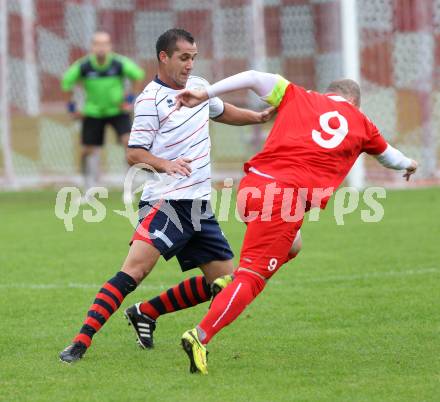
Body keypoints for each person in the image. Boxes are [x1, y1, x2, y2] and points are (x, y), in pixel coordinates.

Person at [175, 70, 418, 374]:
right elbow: (391, 158)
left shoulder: (297, 95)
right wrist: (410, 164)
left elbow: (251, 76)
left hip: (251, 187)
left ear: (327, 93)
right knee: (253, 278)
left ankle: (233, 281)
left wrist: (205, 92)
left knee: (293, 244)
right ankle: (199, 336)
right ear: (354, 102)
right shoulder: (362, 123)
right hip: (281, 201)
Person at [59, 29, 279, 363]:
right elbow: (134, 153)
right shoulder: (149, 100)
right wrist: (165, 163)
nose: (190, 65)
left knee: (223, 283)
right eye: (184, 57)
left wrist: (258, 117)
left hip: (197, 206)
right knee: (134, 271)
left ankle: (145, 313)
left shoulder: (200, 87)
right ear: (164, 57)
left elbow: (221, 111)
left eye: (194, 57)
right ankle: (80, 341)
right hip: (165, 202)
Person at [61, 31, 145, 203]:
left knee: (128, 143)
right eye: (97, 44)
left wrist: (130, 99)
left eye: (104, 44)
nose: (101, 47)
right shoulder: (84, 66)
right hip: (93, 112)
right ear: (92, 47)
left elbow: (138, 75)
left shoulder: (118, 63)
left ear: (110, 46)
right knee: (87, 151)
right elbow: (66, 82)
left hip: (117, 111)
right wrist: (71, 107)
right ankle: (89, 191)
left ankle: (128, 189)